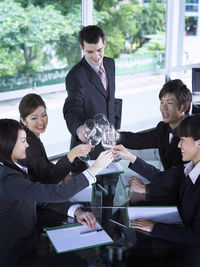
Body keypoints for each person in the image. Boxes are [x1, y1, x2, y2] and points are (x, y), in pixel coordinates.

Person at [0, 119, 113, 266]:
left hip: (32, 244)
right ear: (7, 144)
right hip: (18, 256)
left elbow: (40, 197)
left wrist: (76, 211)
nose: (27, 145)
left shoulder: (13, 168)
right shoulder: (8, 179)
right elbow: (54, 193)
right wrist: (95, 169)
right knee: (81, 260)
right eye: (22, 141)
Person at [114, 114, 200, 245]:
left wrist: (155, 228)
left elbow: (196, 236)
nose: (178, 145)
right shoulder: (190, 167)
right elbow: (162, 178)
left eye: (182, 139)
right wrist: (129, 156)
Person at [63, 25, 117, 160]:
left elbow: (109, 100)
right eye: (90, 52)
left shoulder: (110, 64)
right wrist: (79, 130)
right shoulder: (75, 75)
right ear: (82, 48)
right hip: (87, 149)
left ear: (104, 43)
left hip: (109, 145)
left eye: (99, 50)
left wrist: (114, 128)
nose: (96, 56)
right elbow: (71, 109)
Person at [117, 79, 192, 170]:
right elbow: (140, 140)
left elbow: (178, 177)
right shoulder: (163, 128)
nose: (163, 108)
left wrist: (147, 185)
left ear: (185, 107)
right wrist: (117, 136)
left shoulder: (192, 134)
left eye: (169, 103)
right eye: (161, 102)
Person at [18, 93, 93, 184]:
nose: (41, 122)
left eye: (44, 115)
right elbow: (48, 180)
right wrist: (72, 154)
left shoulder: (30, 136)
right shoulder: (28, 144)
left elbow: (45, 165)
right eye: (34, 118)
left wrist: (64, 175)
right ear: (23, 120)